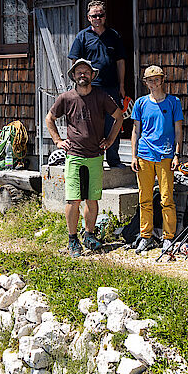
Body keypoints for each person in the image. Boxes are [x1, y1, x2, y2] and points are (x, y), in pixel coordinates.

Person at [45, 57, 123, 257]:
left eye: (86, 72)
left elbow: (119, 116)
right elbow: (50, 118)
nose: (83, 75)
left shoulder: (101, 96)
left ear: (92, 75)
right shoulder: (66, 98)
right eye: (79, 72)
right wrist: (58, 141)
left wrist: (110, 140)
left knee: (92, 199)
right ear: (73, 75)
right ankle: (73, 240)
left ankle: (89, 235)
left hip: (95, 156)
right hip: (74, 156)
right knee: (73, 200)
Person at [128, 65, 183, 254]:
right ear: (146, 83)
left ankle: (169, 237)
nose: (153, 83)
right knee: (145, 198)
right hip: (144, 154)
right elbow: (135, 130)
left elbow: (178, 130)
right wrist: (133, 155)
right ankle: (146, 236)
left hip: (166, 155)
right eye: (150, 80)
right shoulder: (140, 103)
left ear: (163, 80)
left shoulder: (173, 102)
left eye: (157, 79)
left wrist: (177, 154)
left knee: (167, 198)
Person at [67, 0, 127, 168]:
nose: (98, 18)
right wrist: (79, 85)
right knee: (91, 123)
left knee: (113, 122)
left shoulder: (114, 36)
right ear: (88, 17)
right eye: (94, 16)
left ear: (105, 16)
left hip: (111, 87)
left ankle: (113, 159)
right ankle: (94, 159)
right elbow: (75, 63)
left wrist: (121, 85)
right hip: (90, 88)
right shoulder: (82, 37)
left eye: (100, 15)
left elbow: (120, 61)